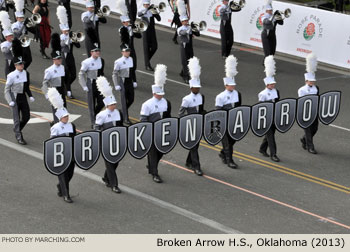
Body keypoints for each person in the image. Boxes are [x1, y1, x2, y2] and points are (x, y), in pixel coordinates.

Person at [140, 64, 171, 183]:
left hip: (162, 130)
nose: (162, 95)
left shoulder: (166, 102)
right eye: (159, 93)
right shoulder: (147, 104)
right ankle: (154, 173)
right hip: (152, 131)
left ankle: (152, 166)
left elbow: (167, 116)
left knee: (162, 151)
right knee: (153, 153)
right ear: (154, 93)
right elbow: (143, 119)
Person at [95, 76, 123, 193]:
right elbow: (97, 128)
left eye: (115, 104)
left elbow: (121, 126)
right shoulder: (101, 115)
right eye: (112, 104)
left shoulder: (118, 113)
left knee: (115, 162)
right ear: (107, 105)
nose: (114, 106)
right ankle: (114, 184)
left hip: (116, 141)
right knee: (110, 163)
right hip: (106, 142)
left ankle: (106, 178)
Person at [48, 87, 76, 203]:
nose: (67, 118)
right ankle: (66, 194)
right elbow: (53, 141)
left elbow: (74, 138)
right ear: (60, 117)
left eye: (67, 116)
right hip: (60, 154)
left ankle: (61, 187)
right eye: (65, 117)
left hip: (70, 153)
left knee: (70, 173)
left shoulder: (71, 126)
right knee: (63, 174)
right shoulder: (55, 128)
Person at [179, 57, 204, 176]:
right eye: (196, 88)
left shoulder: (201, 96)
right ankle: (196, 166)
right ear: (191, 88)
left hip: (198, 123)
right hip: (190, 124)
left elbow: (201, 109)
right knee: (194, 145)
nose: (198, 89)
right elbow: (181, 113)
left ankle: (189, 161)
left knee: (196, 145)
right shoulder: (186, 99)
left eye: (198, 88)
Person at [215, 55, 241, 169]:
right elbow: (218, 112)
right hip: (224, 122)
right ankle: (229, 160)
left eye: (234, 84)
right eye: (231, 85)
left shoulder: (237, 94)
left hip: (234, 121)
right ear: (226, 85)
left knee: (233, 140)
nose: (233, 86)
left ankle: (223, 153)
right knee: (226, 143)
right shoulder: (220, 97)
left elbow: (240, 107)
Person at [4, 55, 35, 145]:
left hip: (23, 97)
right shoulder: (11, 75)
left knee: (26, 117)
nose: (22, 65)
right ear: (15, 65)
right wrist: (10, 101)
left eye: (22, 64)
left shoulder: (26, 73)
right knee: (16, 119)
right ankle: (18, 136)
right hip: (14, 97)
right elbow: (6, 90)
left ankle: (17, 129)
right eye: (20, 64)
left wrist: (30, 96)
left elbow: (26, 87)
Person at [78, 39, 105, 128]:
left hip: (100, 84)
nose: (98, 52)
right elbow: (81, 75)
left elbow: (102, 73)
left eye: (98, 50)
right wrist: (84, 86)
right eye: (96, 51)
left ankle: (95, 115)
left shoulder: (101, 60)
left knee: (102, 102)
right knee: (91, 104)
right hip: (91, 83)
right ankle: (93, 122)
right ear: (91, 52)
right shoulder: (86, 62)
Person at [258, 55, 280, 162]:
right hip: (267, 117)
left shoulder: (276, 91)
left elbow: (278, 103)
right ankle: (273, 154)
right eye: (271, 84)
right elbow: (261, 107)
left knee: (271, 134)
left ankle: (262, 149)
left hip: (274, 116)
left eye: (274, 83)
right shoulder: (262, 94)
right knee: (271, 136)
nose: (273, 85)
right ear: (267, 84)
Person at [42, 33, 67, 124]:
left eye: (60, 58)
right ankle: (56, 125)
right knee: (56, 111)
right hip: (54, 91)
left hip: (61, 91)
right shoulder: (49, 70)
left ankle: (57, 124)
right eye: (57, 59)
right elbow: (45, 83)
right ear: (53, 59)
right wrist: (46, 94)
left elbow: (64, 80)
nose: (59, 60)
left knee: (63, 109)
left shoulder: (62, 67)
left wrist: (67, 89)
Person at [57, 5, 80, 99]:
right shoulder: (61, 37)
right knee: (66, 74)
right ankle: (68, 91)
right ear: (62, 30)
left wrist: (75, 39)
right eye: (65, 30)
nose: (67, 31)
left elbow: (78, 46)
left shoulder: (70, 36)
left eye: (68, 30)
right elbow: (63, 45)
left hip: (70, 56)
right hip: (63, 57)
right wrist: (69, 39)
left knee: (73, 74)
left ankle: (65, 87)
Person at [298, 53, 319, 154]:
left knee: (314, 129)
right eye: (310, 81)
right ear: (306, 81)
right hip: (306, 112)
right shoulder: (301, 90)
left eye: (313, 81)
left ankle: (304, 139)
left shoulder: (316, 88)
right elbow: (301, 101)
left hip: (314, 111)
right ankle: (310, 147)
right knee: (308, 130)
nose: (312, 83)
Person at [117, 0, 141, 88]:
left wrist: (135, 29)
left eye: (128, 21)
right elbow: (124, 39)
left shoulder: (131, 28)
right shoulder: (122, 29)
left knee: (134, 64)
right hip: (125, 48)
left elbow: (139, 36)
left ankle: (133, 80)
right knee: (127, 65)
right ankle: (127, 80)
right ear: (123, 22)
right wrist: (129, 29)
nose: (128, 22)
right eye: (127, 21)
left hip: (132, 48)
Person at [113, 45, 136, 125]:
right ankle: (126, 119)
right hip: (123, 81)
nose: (128, 52)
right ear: (122, 52)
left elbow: (132, 71)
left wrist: (134, 81)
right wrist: (116, 84)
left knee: (131, 99)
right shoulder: (118, 61)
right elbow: (115, 74)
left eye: (128, 51)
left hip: (129, 81)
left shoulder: (131, 59)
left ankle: (123, 111)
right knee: (124, 101)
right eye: (126, 51)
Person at [176, 6, 199, 84]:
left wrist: (196, 28)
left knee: (190, 61)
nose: (186, 22)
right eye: (184, 21)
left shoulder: (189, 27)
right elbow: (183, 33)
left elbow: (197, 34)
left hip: (190, 46)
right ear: (182, 22)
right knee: (184, 61)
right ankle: (186, 76)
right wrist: (190, 29)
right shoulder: (180, 29)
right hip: (184, 46)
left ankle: (183, 72)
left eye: (186, 20)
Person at [138, 0, 161, 71]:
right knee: (146, 47)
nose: (147, 6)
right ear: (143, 5)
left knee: (155, 46)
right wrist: (148, 9)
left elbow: (159, 19)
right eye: (145, 4)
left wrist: (155, 11)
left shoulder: (152, 10)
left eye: (148, 4)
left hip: (152, 29)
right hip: (145, 30)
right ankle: (147, 65)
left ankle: (147, 60)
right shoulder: (141, 10)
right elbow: (139, 14)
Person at [12, 0, 33, 70]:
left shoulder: (24, 23)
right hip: (19, 44)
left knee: (29, 59)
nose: (22, 19)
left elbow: (31, 30)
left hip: (25, 42)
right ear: (17, 18)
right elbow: (17, 33)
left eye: (23, 17)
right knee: (21, 60)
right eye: (20, 18)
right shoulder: (14, 25)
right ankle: (20, 70)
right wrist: (24, 25)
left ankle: (23, 69)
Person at [0, 11, 15, 76]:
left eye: (12, 35)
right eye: (10, 36)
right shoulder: (3, 44)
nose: (11, 37)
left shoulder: (14, 41)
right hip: (10, 60)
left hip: (16, 59)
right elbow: (5, 51)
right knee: (9, 72)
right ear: (6, 37)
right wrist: (12, 44)